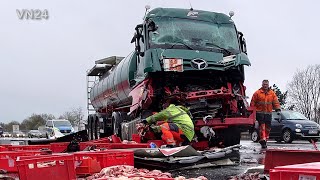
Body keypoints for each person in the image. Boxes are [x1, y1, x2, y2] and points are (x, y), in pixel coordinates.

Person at [250, 80, 281, 149]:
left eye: (266, 84)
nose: (265, 85)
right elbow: (253, 102)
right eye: (264, 84)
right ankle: (263, 139)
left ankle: (265, 139)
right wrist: (251, 112)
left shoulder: (272, 93)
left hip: (268, 113)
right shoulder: (257, 93)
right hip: (259, 113)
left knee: (268, 128)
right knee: (262, 127)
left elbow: (275, 101)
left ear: (268, 85)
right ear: (262, 84)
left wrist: (277, 109)